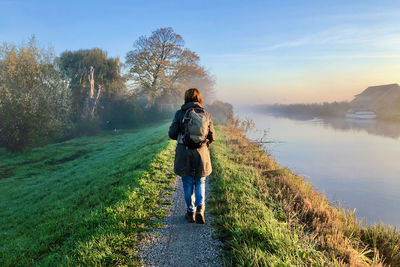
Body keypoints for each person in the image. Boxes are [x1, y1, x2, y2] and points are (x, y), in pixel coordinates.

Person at [168, 88, 215, 224]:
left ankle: (191, 212)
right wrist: (203, 144)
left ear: (186, 98)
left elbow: (172, 133)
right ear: (199, 98)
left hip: (184, 151)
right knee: (200, 181)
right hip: (201, 152)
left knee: (187, 182)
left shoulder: (179, 113)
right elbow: (212, 136)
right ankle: (201, 209)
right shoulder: (206, 114)